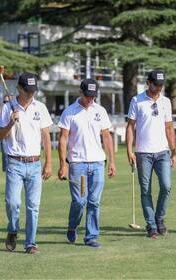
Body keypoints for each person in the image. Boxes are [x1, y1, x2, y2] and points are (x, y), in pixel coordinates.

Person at [0, 72, 53, 254]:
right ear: (19, 88)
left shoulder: (40, 107)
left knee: (33, 206)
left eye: (33, 90)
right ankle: (13, 229)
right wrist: (10, 124)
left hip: (35, 163)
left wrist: (49, 163)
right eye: (27, 90)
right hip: (15, 163)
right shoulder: (8, 108)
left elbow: (45, 136)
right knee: (12, 203)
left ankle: (31, 242)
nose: (31, 94)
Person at [57, 78, 115, 248]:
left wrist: (112, 161)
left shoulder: (101, 111)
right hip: (77, 163)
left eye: (93, 96)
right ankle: (72, 225)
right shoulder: (69, 112)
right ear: (80, 92)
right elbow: (63, 138)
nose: (90, 99)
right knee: (80, 201)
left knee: (94, 201)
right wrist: (63, 164)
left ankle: (91, 236)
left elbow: (106, 136)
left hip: (97, 162)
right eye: (88, 95)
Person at [126, 70, 176, 239]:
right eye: (156, 84)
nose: (159, 88)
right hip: (143, 152)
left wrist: (173, 150)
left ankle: (159, 218)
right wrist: (129, 151)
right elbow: (130, 126)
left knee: (166, 186)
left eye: (161, 85)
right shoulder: (137, 100)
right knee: (145, 190)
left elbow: (169, 127)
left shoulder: (166, 102)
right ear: (148, 82)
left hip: (162, 152)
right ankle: (151, 225)